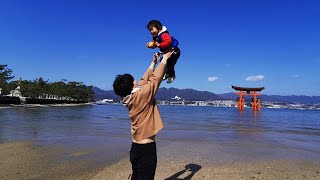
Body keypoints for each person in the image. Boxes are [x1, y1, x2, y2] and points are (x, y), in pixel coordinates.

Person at [113, 51, 174, 180]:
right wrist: (165, 59)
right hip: (146, 149)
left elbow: (144, 80)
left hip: (135, 147)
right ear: (132, 86)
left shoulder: (129, 97)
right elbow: (155, 79)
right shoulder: (142, 95)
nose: (137, 81)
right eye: (134, 80)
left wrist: (153, 62)